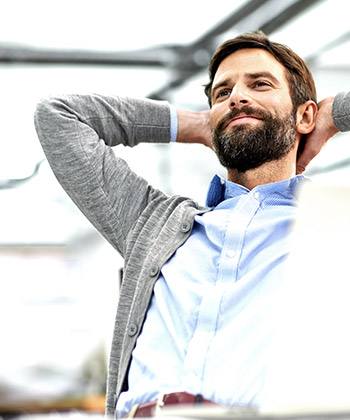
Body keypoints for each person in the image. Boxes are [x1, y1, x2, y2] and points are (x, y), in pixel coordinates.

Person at [34, 31, 350, 418]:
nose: (237, 96)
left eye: (260, 84)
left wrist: (335, 115)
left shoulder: (335, 223)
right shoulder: (153, 225)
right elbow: (59, 117)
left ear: (305, 115)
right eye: (222, 93)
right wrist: (197, 124)